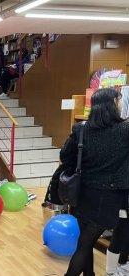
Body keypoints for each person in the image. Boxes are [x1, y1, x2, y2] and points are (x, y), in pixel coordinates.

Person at [61, 88, 129, 276]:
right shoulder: (125, 131)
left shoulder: (81, 128)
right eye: (119, 100)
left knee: (86, 241)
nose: (121, 103)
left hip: (82, 193)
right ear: (112, 104)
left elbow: (65, 156)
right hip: (108, 198)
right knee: (85, 244)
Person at [105, 196, 129, 275]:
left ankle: (123, 264)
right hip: (123, 203)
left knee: (125, 234)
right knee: (120, 234)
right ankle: (110, 272)